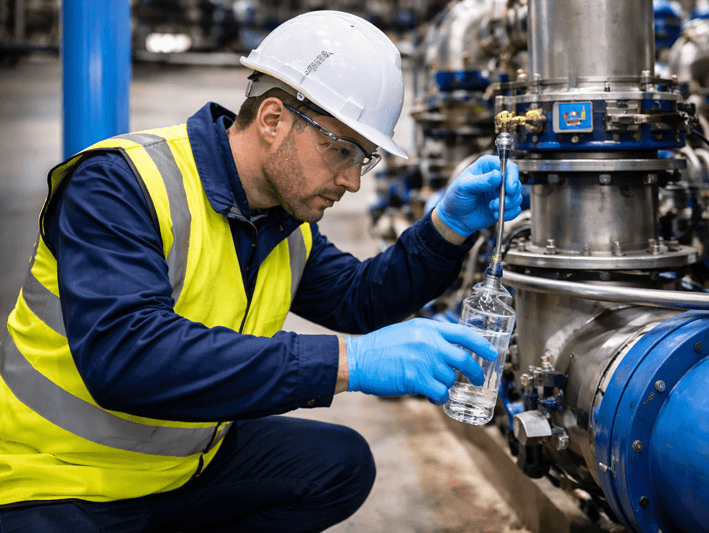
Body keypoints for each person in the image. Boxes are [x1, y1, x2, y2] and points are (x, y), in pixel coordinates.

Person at [0, 10, 522, 533]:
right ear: (273, 120)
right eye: (341, 150)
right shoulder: (118, 184)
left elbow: (360, 299)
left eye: (362, 160)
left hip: (179, 469)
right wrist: (350, 362)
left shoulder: (282, 220)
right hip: (57, 484)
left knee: (338, 466)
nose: (352, 182)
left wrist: (447, 227)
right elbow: (129, 358)